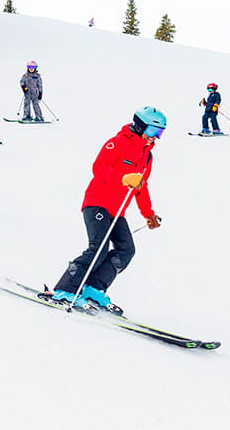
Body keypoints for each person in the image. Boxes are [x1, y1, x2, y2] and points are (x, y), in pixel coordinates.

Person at [51, 106, 165, 312]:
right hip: (97, 202)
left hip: (117, 211)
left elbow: (141, 186)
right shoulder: (118, 142)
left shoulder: (147, 156)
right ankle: (65, 289)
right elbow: (99, 167)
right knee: (98, 248)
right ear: (139, 126)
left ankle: (94, 288)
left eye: (160, 133)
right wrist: (123, 178)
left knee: (126, 249)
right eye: (152, 131)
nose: (155, 137)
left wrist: (148, 214)